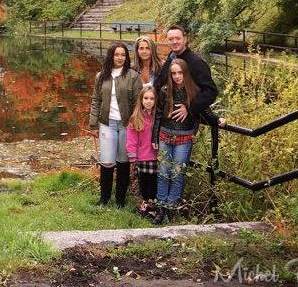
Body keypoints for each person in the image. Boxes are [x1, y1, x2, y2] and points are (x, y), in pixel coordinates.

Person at [151, 58, 226, 224]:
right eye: (174, 73)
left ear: (186, 73)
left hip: (184, 138)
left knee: (177, 174)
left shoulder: (194, 92)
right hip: (165, 136)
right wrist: (154, 136)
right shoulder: (165, 90)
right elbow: (158, 114)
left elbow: (205, 111)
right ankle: (160, 209)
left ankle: (170, 210)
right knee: (163, 173)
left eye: (180, 73)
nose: (177, 76)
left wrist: (217, 119)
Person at [89, 42, 143, 208]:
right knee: (106, 161)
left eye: (123, 55)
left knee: (123, 161)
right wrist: (93, 124)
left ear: (126, 57)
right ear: (111, 56)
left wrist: (135, 122)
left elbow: (137, 102)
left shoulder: (133, 76)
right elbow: (96, 100)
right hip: (107, 123)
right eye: (117, 54)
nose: (120, 58)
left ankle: (120, 200)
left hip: (127, 124)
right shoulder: (101, 76)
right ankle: (104, 198)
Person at [125, 84, 159, 215]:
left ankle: (153, 205)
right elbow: (131, 139)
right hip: (142, 155)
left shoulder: (158, 117)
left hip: (156, 156)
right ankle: (145, 202)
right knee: (144, 180)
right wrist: (132, 156)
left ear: (156, 100)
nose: (149, 101)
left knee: (154, 181)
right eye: (146, 98)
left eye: (152, 98)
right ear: (141, 100)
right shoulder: (136, 118)